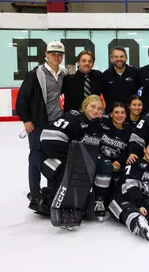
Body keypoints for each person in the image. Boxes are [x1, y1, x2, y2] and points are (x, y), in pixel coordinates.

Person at [16, 41, 69, 212]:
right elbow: (22, 98)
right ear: (46, 55)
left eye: (59, 54)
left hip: (55, 123)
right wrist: (26, 120)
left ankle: (51, 191)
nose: (56, 57)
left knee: (52, 157)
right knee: (36, 157)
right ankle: (35, 191)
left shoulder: (63, 74)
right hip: (38, 123)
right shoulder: (35, 74)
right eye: (53, 54)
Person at [38, 95, 104, 224]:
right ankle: (55, 205)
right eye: (93, 106)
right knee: (69, 175)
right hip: (49, 160)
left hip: (68, 161)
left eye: (99, 108)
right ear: (85, 106)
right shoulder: (73, 117)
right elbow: (48, 139)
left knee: (80, 175)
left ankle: (50, 198)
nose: (96, 111)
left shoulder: (96, 125)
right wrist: (70, 158)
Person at [92, 102, 132, 219]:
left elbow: (127, 150)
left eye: (122, 112)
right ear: (110, 114)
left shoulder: (129, 130)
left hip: (116, 163)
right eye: (116, 112)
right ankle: (98, 201)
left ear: (126, 115)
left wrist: (119, 161)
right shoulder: (102, 124)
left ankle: (118, 200)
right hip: (98, 159)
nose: (119, 115)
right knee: (106, 165)